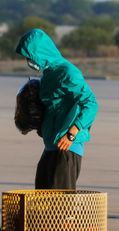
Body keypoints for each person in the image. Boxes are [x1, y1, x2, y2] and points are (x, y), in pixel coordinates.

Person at [15, 28, 98, 189]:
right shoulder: (47, 76)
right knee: (42, 201)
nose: (29, 60)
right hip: (51, 145)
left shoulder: (67, 72)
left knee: (60, 206)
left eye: (30, 56)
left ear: (41, 52)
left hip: (67, 147)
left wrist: (72, 134)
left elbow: (91, 104)